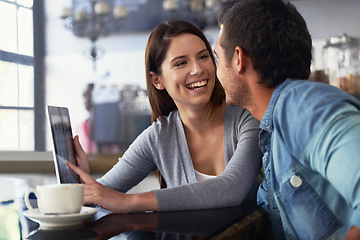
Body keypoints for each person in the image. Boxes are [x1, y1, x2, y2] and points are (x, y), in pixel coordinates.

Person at [68, 20, 262, 214]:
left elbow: (232, 188)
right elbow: (101, 196)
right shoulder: (158, 136)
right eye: (181, 63)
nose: (197, 69)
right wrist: (84, 180)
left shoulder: (248, 119)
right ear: (157, 80)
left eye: (204, 57)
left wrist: (128, 202)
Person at [214, 0, 360, 239]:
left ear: (238, 59)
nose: (216, 70)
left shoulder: (303, 107)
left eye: (218, 57)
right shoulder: (275, 130)